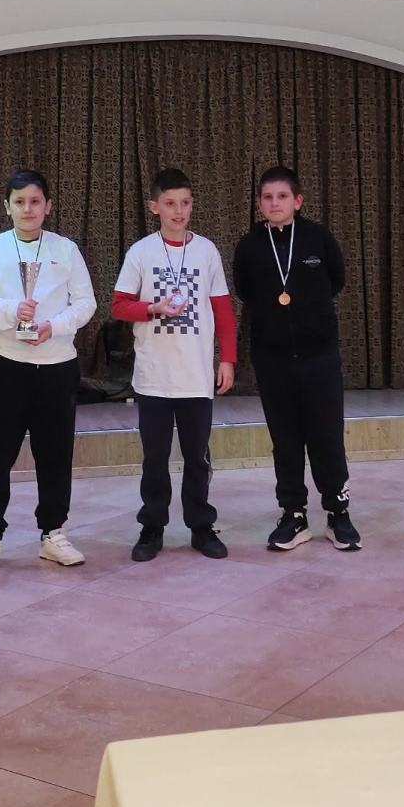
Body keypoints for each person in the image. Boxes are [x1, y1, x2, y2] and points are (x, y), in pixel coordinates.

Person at [0, 169, 96, 573]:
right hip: (3, 364)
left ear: (48, 206)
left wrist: (54, 326)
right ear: (7, 206)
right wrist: (10, 311)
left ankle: (53, 532)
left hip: (56, 366)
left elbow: (86, 302)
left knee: (55, 453)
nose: (27, 209)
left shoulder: (65, 250)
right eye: (19, 202)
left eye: (35, 201)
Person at [233, 166, 361, 551]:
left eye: (282, 196)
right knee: (285, 439)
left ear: (298, 201)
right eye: (267, 197)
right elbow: (245, 290)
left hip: (319, 356)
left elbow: (336, 280)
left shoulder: (318, 238)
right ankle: (293, 514)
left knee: (326, 435)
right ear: (259, 203)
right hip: (272, 359)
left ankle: (338, 513)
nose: (275, 203)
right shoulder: (249, 245)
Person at [112, 168, 236, 562]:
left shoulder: (207, 251)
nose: (178, 211)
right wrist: (152, 308)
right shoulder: (141, 252)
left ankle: (201, 526)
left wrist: (227, 359)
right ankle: (152, 527)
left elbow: (223, 311)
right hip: (154, 377)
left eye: (185, 203)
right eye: (170, 204)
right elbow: (119, 306)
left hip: (196, 376)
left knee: (198, 457)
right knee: (155, 458)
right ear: (155, 207)